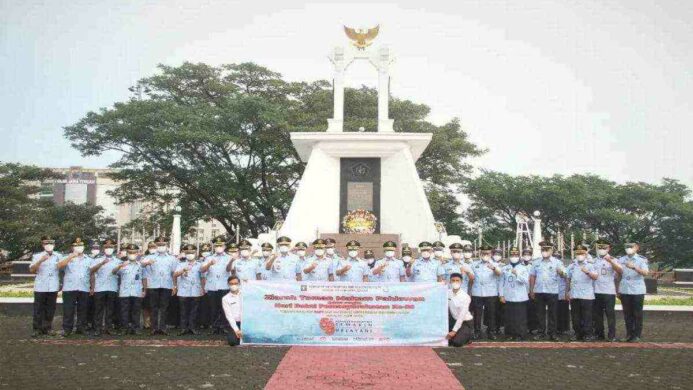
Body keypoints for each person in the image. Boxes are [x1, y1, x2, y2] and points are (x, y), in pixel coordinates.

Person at [140, 236, 178, 336]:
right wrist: (147, 263)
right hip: (153, 285)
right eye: (159, 245)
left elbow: (174, 273)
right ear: (156, 245)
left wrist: (174, 285)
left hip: (166, 285)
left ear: (166, 245)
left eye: (163, 245)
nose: (161, 246)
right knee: (154, 307)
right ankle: (154, 328)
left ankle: (163, 327)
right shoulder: (149, 257)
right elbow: (141, 265)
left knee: (164, 307)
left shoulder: (172, 258)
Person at [529, 241, 566, 341]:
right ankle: (541, 332)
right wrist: (531, 290)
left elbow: (564, 275)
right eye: (543, 249)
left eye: (547, 249)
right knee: (540, 314)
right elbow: (532, 276)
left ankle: (552, 333)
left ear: (551, 250)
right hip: (539, 291)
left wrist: (561, 272)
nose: (544, 251)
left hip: (552, 291)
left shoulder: (557, 262)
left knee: (553, 314)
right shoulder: (536, 262)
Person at [57, 237, 92, 337]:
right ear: (72, 247)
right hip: (69, 287)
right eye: (76, 246)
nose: (79, 248)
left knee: (83, 309)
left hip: (84, 287)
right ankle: (67, 329)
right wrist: (71, 256)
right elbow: (59, 266)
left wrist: (92, 287)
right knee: (68, 309)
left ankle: (81, 328)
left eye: (81, 246)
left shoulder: (88, 259)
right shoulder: (67, 257)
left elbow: (91, 273)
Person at [29, 235, 61, 337]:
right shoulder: (37, 256)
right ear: (43, 244)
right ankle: (37, 329)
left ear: (54, 244)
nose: (49, 245)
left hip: (53, 286)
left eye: (51, 243)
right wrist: (41, 260)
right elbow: (32, 270)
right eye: (46, 243)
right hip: (40, 286)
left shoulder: (58, 256)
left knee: (50, 309)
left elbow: (63, 267)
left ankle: (47, 328)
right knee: (38, 309)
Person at [617, 242, 649, 342]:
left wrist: (634, 267)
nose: (629, 248)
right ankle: (629, 334)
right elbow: (618, 275)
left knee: (637, 314)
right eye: (627, 247)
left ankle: (637, 335)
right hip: (625, 289)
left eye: (631, 247)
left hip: (637, 290)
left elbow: (645, 273)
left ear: (636, 248)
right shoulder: (621, 259)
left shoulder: (641, 260)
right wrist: (617, 288)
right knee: (627, 314)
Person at [592, 238, 623, 342]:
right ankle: (599, 334)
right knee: (597, 315)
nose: (601, 249)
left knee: (610, 314)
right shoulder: (594, 261)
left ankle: (612, 335)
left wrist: (610, 261)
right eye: (599, 247)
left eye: (604, 247)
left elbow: (620, 271)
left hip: (609, 291)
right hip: (596, 291)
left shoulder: (614, 260)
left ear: (609, 248)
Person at [566, 244, 599, 341]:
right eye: (577, 253)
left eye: (582, 253)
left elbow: (596, 277)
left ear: (585, 254)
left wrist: (587, 272)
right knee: (575, 316)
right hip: (575, 294)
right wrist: (567, 291)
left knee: (587, 316)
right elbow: (568, 278)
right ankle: (577, 333)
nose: (579, 255)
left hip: (587, 295)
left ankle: (588, 334)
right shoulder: (571, 266)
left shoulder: (590, 265)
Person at [200, 236, 232, 334]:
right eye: (217, 245)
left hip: (224, 286)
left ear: (224, 246)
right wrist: (209, 264)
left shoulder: (229, 257)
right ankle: (214, 327)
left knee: (224, 308)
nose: (219, 247)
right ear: (214, 247)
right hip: (212, 286)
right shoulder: (209, 258)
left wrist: (231, 261)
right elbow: (202, 270)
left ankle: (223, 326)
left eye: (221, 245)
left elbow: (229, 270)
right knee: (213, 308)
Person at [89, 239, 121, 336]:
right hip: (100, 288)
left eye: (111, 247)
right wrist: (101, 263)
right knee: (98, 309)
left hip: (112, 287)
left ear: (114, 248)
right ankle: (97, 328)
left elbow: (119, 275)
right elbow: (91, 271)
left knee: (110, 310)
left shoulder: (118, 261)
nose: (109, 249)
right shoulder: (97, 259)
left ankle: (108, 328)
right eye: (107, 247)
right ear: (103, 248)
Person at [470, 244, 502, 340]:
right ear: (480, 254)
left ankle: (491, 332)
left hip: (491, 293)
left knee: (491, 313)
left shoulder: (495, 264)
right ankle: (477, 331)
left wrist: (493, 268)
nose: (485, 255)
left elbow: (499, 273)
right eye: (483, 253)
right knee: (477, 314)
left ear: (491, 254)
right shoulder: (474, 264)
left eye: (487, 253)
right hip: (477, 292)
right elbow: (471, 278)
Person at [113, 244, 146, 335]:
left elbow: (144, 278)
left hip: (137, 291)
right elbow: (113, 272)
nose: (132, 254)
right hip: (125, 291)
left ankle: (136, 328)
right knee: (124, 311)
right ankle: (124, 328)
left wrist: (144, 290)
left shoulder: (141, 265)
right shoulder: (122, 264)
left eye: (134, 252)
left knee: (136, 310)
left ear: (137, 253)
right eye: (130, 252)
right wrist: (120, 266)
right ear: (127, 253)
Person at [499, 247, 530, 340]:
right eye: (512, 255)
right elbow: (501, 282)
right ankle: (509, 334)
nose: (514, 257)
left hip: (520, 297)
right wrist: (501, 295)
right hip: (508, 296)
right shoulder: (505, 268)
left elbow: (526, 281)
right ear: (509, 256)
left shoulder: (523, 268)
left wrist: (517, 274)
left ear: (519, 256)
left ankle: (520, 334)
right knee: (509, 317)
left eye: (516, 255)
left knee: (520, 317)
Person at [174, 244, 205, 335]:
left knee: (194, 311)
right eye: (187, 253)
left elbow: (202, 277)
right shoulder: (181, 264)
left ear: (195, 253)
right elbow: (175, 275)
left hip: (196, 290)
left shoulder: (200, 264)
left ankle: (193, 328)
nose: (189, 254)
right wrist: (182, 271)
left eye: (191, 253)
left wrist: (203, 288)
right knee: (183, 311)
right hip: (183, 291)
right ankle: (183, 328)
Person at [447, 273, 474, 347]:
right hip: (453, 320)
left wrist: (454, 331)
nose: (455, 282)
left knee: (457, 343)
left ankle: (469, 335)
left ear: (461, 282)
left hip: (465, 322)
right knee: (446, 341)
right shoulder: (447, 293)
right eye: (453, 280)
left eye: (457, 280)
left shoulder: (465, 297)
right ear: (450, 281)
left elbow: (461, 316)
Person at [222, 276, 243, 346]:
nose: (234, 285)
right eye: (231, 284)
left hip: (247, 322)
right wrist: (236, 330)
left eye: (236, 283)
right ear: (228, 285)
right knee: (233, 342)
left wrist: (248, 283)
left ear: (239, 284)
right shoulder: (225, 298)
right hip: (235, 323)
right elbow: (229, 316)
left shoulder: (246, 294)